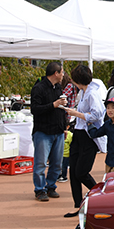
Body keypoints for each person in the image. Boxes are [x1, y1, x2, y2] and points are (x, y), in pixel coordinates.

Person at [63, 65, 106, 217]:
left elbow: (98, 114)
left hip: (88, 137)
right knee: (73, 172)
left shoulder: (91, 93)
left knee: (81, 172)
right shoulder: (83, 92)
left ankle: (102, 196)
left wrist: (78, 114)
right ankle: (77, 204)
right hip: (79, 134)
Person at [30, 62, 67, 202]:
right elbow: (35, 109)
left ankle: (51, 186)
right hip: (43, 131)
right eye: (62, 72)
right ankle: (39, 190)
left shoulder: (58, 87)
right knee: (40, 163)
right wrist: (53, 105)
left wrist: (64, 126)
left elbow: (59, 110)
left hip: (58, 130)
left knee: (57, 163)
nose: (63, 75)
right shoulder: (38, 88)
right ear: (56, 73)